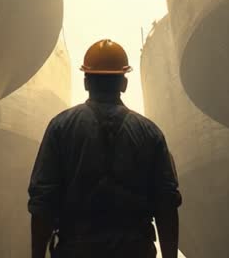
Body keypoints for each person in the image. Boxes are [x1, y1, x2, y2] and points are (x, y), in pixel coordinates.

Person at [27, 39, 182, 258]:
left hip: (76, 251)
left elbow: (43, 201)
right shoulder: (150, 134)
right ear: (124, 84)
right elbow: (167, 205)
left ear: (86, 82)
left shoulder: (61, 128)